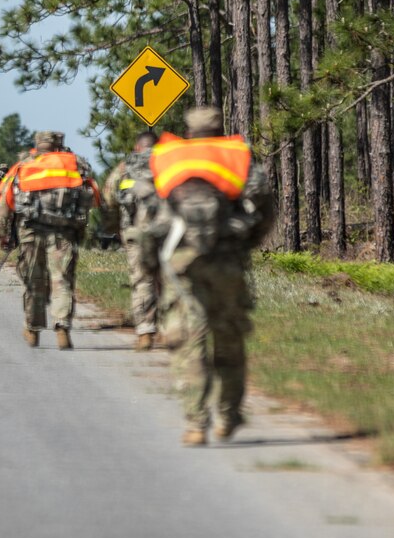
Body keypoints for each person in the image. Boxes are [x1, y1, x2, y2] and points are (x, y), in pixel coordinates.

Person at [143, 106, 274, 446]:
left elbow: (149, 212)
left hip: (183, 262)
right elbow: (264, 205)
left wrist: (151, 264)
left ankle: (196, 422)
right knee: (229, 338)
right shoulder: (238, 156)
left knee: (189, 340)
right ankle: (228, 416)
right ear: (219, 128)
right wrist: (249, 243)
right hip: (228, 259)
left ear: (188, 129)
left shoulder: (167, 157)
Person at [0, 131, 100, 350]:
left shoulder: (23, 165)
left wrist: (0, 231)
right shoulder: (74, 163)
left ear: (37, 144)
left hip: (31, 231)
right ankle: (62, 326)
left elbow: (6, 200)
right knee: (61, 279)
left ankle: (32, 328)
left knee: (34, 279)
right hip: (64, 232)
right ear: (60, 144)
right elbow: (94, 197)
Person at [101, 131, 160, 351]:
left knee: (142, 279)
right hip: (168, 231)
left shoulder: (127, 165)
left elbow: (109, 194)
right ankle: (172, 329)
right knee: (170, 279)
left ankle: (145, 331)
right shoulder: (170, 161)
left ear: (137, 147)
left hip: (135, 231)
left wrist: (114, 227)